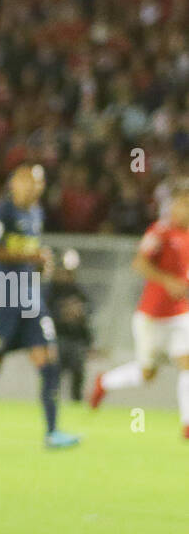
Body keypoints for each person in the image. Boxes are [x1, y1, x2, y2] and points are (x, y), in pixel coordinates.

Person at [0, 164, 81, 449]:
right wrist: (32, 255)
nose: (34, 187)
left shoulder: (36, 213)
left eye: (39, 183)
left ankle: (53, 432)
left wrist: (37, 265)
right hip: (3, 301)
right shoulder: (2, 212)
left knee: (48, 362)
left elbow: (27, 258)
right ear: (15, 184)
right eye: (28, 182)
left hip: (30, 300)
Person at [89, 182, 189, 438]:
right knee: (147, 374)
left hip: (180, 313)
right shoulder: (160, 232)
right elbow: (139, 263)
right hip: (152, 315)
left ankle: (187, 424)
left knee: (187, 363)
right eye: (183, 204)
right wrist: (167, 281)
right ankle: (104, 382)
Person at [46, 250, 92, 402]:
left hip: (75, 338)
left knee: (78, 373)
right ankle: (51, 401)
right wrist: (63, 313)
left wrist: (79, 313)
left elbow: (88, 310)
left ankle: (76, 401)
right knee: (55, 372)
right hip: (57, 336)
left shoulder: (78, 290)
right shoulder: (51, 290)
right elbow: (45, 312)